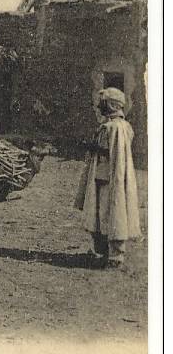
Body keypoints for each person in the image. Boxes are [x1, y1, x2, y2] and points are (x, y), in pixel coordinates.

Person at [75, 87, 141, 268]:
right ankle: (106, 252)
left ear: (111, 105)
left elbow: (108, 151)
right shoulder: (123, 126)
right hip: (109, 176)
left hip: (108, 177)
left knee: (110, 211)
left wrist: (90, 146)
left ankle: (114, 256)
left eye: (102, 104)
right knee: (105, 211)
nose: (99, 106)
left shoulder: (112, 128)